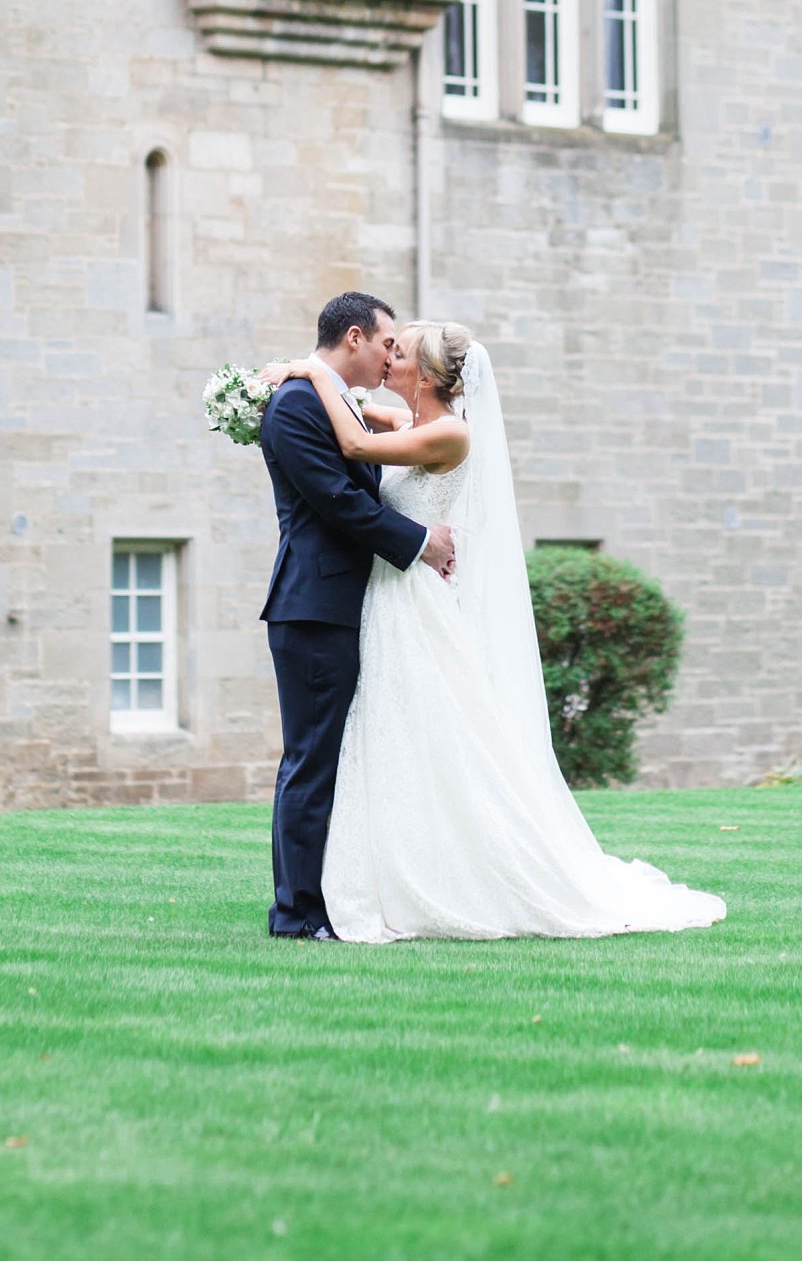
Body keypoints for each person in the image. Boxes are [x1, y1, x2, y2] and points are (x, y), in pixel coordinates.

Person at [265, 324, 727, 943]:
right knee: (389, 744)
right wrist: (299, 381)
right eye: (387, 346)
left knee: (440, 741)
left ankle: (456, 878)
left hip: (410, 604)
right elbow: (357, 413)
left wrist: (312, 370)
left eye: (398, 353)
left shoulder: (449, 432)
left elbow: (351, 443)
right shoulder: (409, 424)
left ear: (426, 376)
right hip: (385, 602)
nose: (388, 358)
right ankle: (382, 875)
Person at [257, 292, 456, 940]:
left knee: (334, 761)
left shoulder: (333, 400)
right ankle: (296, 915)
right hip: (314, 606)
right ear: (352, 338)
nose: (390, 354)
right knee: (311, 762)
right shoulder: (296, 406)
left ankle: (329, 899)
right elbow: (339, 502)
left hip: (345, 605)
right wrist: (420, 544)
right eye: (385, 342)